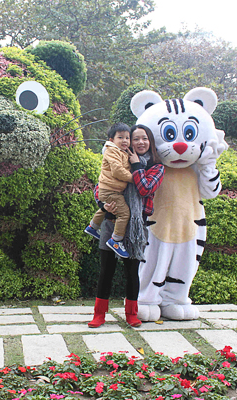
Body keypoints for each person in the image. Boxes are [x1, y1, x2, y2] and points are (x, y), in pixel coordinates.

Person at [88, 124, 165, 328]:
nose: (139, 142)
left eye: (144, 139)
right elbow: (101, 185)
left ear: (150, 142)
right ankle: (99, 314)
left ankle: (131, 314)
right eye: (135, 138)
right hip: (111, 222)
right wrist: (101, 204)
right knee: (106, 270)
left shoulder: (156, 167)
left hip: (136, 228)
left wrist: (137, 165)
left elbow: (145, 188)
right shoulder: (119, 157)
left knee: (132, 272)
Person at [85, 123, 134, 258]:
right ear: (112, 140)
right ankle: (116, 240)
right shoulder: (112, 151)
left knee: (107, 207)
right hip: (111, 190)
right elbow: (118, 171)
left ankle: (92, 227)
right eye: (120, 137)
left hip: (109, 190)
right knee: (124, 214)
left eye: (127, 138)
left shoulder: (120, 151)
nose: (125, 141)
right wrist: (134, 179)